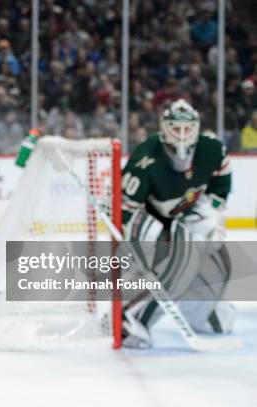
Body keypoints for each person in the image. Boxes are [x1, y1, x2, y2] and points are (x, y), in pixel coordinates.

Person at [120, 99, 234, 348]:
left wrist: (213, 216)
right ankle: (129, 318)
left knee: (219, 263)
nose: (182, 134)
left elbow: (221, 182)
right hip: (151, 219)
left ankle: (201, 314)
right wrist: (140, 245)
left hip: (184, 216)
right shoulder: (146, 156)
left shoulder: (211, 149)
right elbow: (125, 208)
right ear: (164, 128)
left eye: (187, 128)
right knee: (178, 267)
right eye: (175, 128)